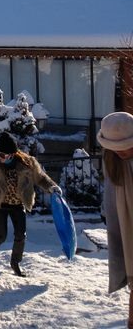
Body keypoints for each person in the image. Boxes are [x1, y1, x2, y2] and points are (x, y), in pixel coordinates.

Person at [0, 131, 59, 277]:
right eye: (0, 154)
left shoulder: (28, 163)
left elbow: (41, 178)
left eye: (6, 155)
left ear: (13, 153)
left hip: (17, 204)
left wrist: (51, 187)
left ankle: (15, 262)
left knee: (21, 235)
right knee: (1, 235)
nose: (2, 158)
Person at [96, 112, 133, 329]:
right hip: (125, 225)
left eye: (125, 146)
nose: (121, 152)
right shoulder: (110, 158)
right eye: (115, 148)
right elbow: (111, 193)